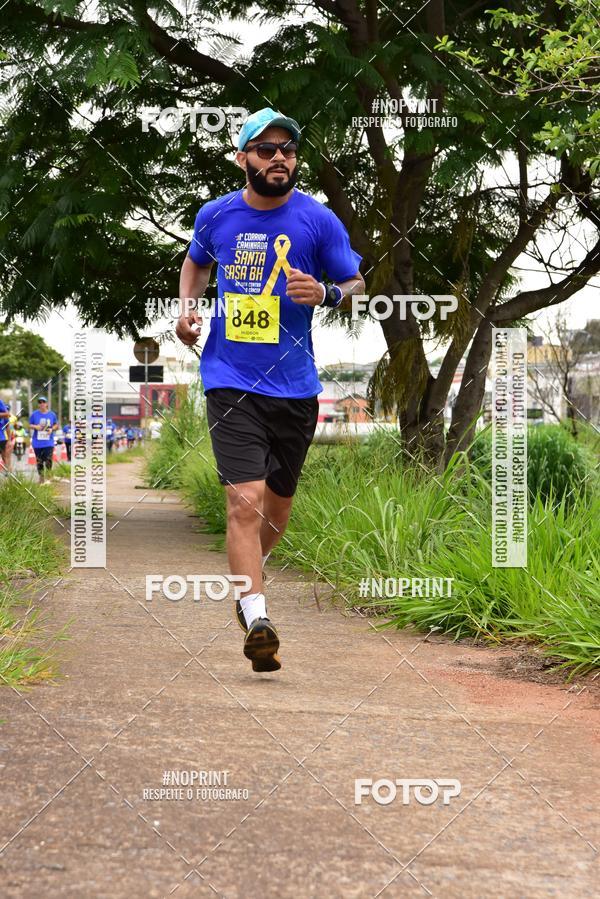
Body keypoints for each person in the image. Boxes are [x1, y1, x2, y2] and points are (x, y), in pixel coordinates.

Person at [175, 107, 365, 673]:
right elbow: (194, 264)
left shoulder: (318, 220)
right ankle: (257, 616)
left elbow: (356, 282)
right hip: (229, 379)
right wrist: (187, 310)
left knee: (276, 512)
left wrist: (328, 294)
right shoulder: (216, 215)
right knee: (245, 501)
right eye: (266, 148)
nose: (279, 157)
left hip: (295, 387)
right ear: (243, 158)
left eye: (288, 148)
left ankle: (245, 586)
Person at [29, 396, 59, 483]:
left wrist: (52, 429)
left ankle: (49, 476)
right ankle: (41, 478)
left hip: (48, 442)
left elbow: (56, 425)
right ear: (38, 404)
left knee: (48, 459)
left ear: (46, 404)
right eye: (40, 402)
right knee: (39, 461)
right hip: (37, 442)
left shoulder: (52, 414)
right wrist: (35, 427)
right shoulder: (34, 414)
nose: (42, 404)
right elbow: (30, 425)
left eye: (43, 402)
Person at [0, 398, 9, 473]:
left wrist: (9, 440)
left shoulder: (4, 417)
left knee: (4, 456)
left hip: (1, 438)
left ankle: (8, 472)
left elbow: (7, 414)